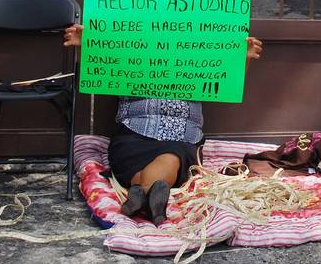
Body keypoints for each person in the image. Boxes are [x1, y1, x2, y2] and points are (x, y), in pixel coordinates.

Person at [63, 24, 263, 225]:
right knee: (156, 161)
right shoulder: (129, 49)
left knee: (171, 157)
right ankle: (150, 199)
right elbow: (100, 70)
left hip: (182, 138)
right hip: (134, 134)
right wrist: (85, 45)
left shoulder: (199, 56)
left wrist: (242, 57)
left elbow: (226, 80)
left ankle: (141, 195)